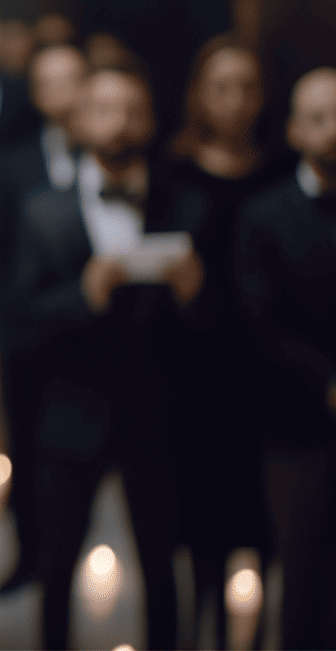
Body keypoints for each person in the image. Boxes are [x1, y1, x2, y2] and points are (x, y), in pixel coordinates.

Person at [9, 61, 202, 650]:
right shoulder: (43, 209)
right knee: (57, 569)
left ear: (149, 120)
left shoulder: (186, 205)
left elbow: (219, 333)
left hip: (159, 412)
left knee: (164, 570)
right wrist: (82, 296)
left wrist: (197, 297)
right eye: (102, 108)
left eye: (131, 110)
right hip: (71, 415)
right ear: (78, 119)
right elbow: (19, 320)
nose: (117, 123)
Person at [159, 34, 278, 645]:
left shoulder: (280, 170)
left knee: (257, 521)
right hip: (191, 368)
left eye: (247, 87)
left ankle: (250, 635)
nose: (235, 101)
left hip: (263, 369)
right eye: (221, 87)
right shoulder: (172, 172)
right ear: (199, 95)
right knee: (197, 521)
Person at [0, 43, 87, 596]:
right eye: (51, 81)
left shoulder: (108, 152)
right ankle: (29, 554)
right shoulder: (13, 160)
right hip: (28, 321)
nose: (63, 93)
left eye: (73, 79)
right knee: (22, 433)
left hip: (92, 325)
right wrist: (4, 315)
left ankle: (70, 554)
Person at [238, 67, 336, 649]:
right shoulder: (264, 215)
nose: (334, 133)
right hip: (295, 426)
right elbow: (261, 326)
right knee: (301, 585)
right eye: (320, 120)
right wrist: (326, 383)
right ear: (296, 130)